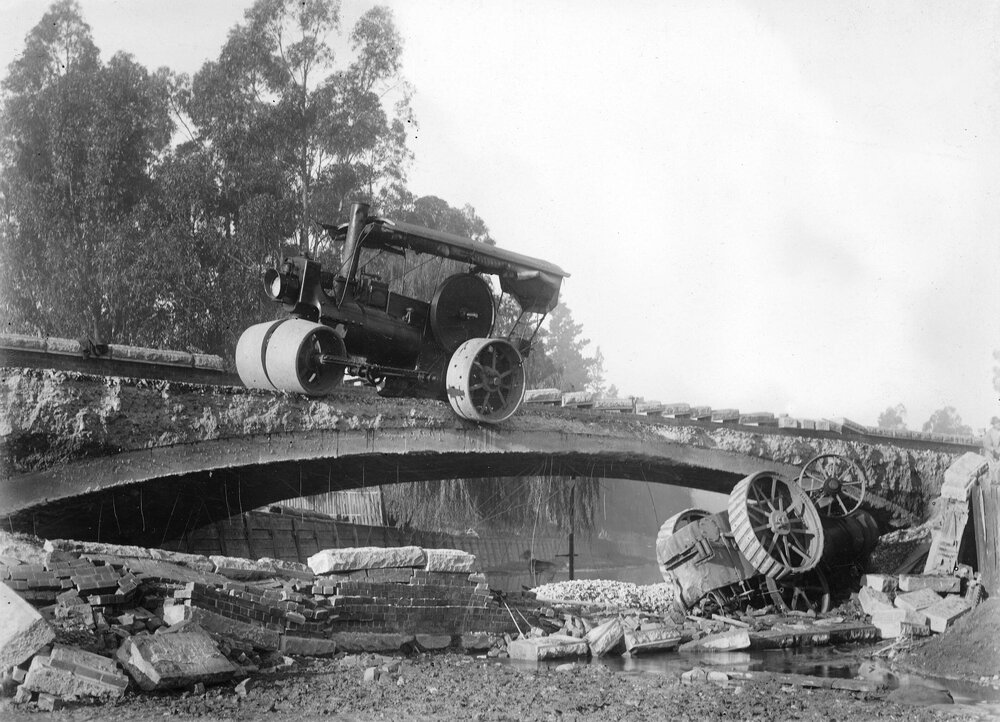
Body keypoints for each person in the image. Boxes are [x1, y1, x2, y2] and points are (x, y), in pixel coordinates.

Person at [984, 416, 1000, 482]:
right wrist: (993, 451)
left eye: (998, 422)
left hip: (998, 452)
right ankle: (993, 482)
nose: (998, 424)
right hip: (990, 454)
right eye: (996, 423)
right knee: (992, 469)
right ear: (993, 424)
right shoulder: (989, 432)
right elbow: (986, 444)